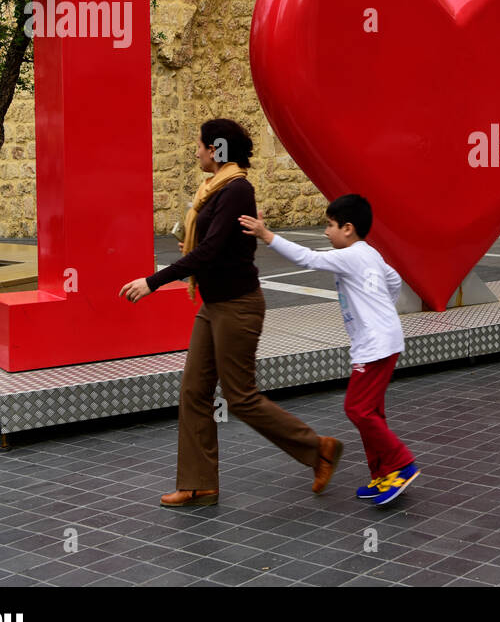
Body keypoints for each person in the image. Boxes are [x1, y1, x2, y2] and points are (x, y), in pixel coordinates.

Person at [118, 118, 344, 507]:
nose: (197, 151)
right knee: (193, 391)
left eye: (202, 145)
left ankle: (318, 448)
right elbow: (206, 243)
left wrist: (153, 282)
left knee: (240, 397)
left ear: (217, 150)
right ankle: (198, 482)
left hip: (238, 305)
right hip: (214, 304)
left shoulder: (238, 190)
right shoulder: (212, 189)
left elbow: (211, 251)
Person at [239, 194, 419, 506]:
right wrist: (383, 312)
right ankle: (382, 475)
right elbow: (394, 280)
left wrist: (267, 235)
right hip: (383, 341)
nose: (325, 231)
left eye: (329, 225)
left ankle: (401, 464)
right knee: (371, 411)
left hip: (375, 345)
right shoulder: (370, 254)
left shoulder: (350, 256)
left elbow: (308, 259)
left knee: (357, 409)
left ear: (348, 228)